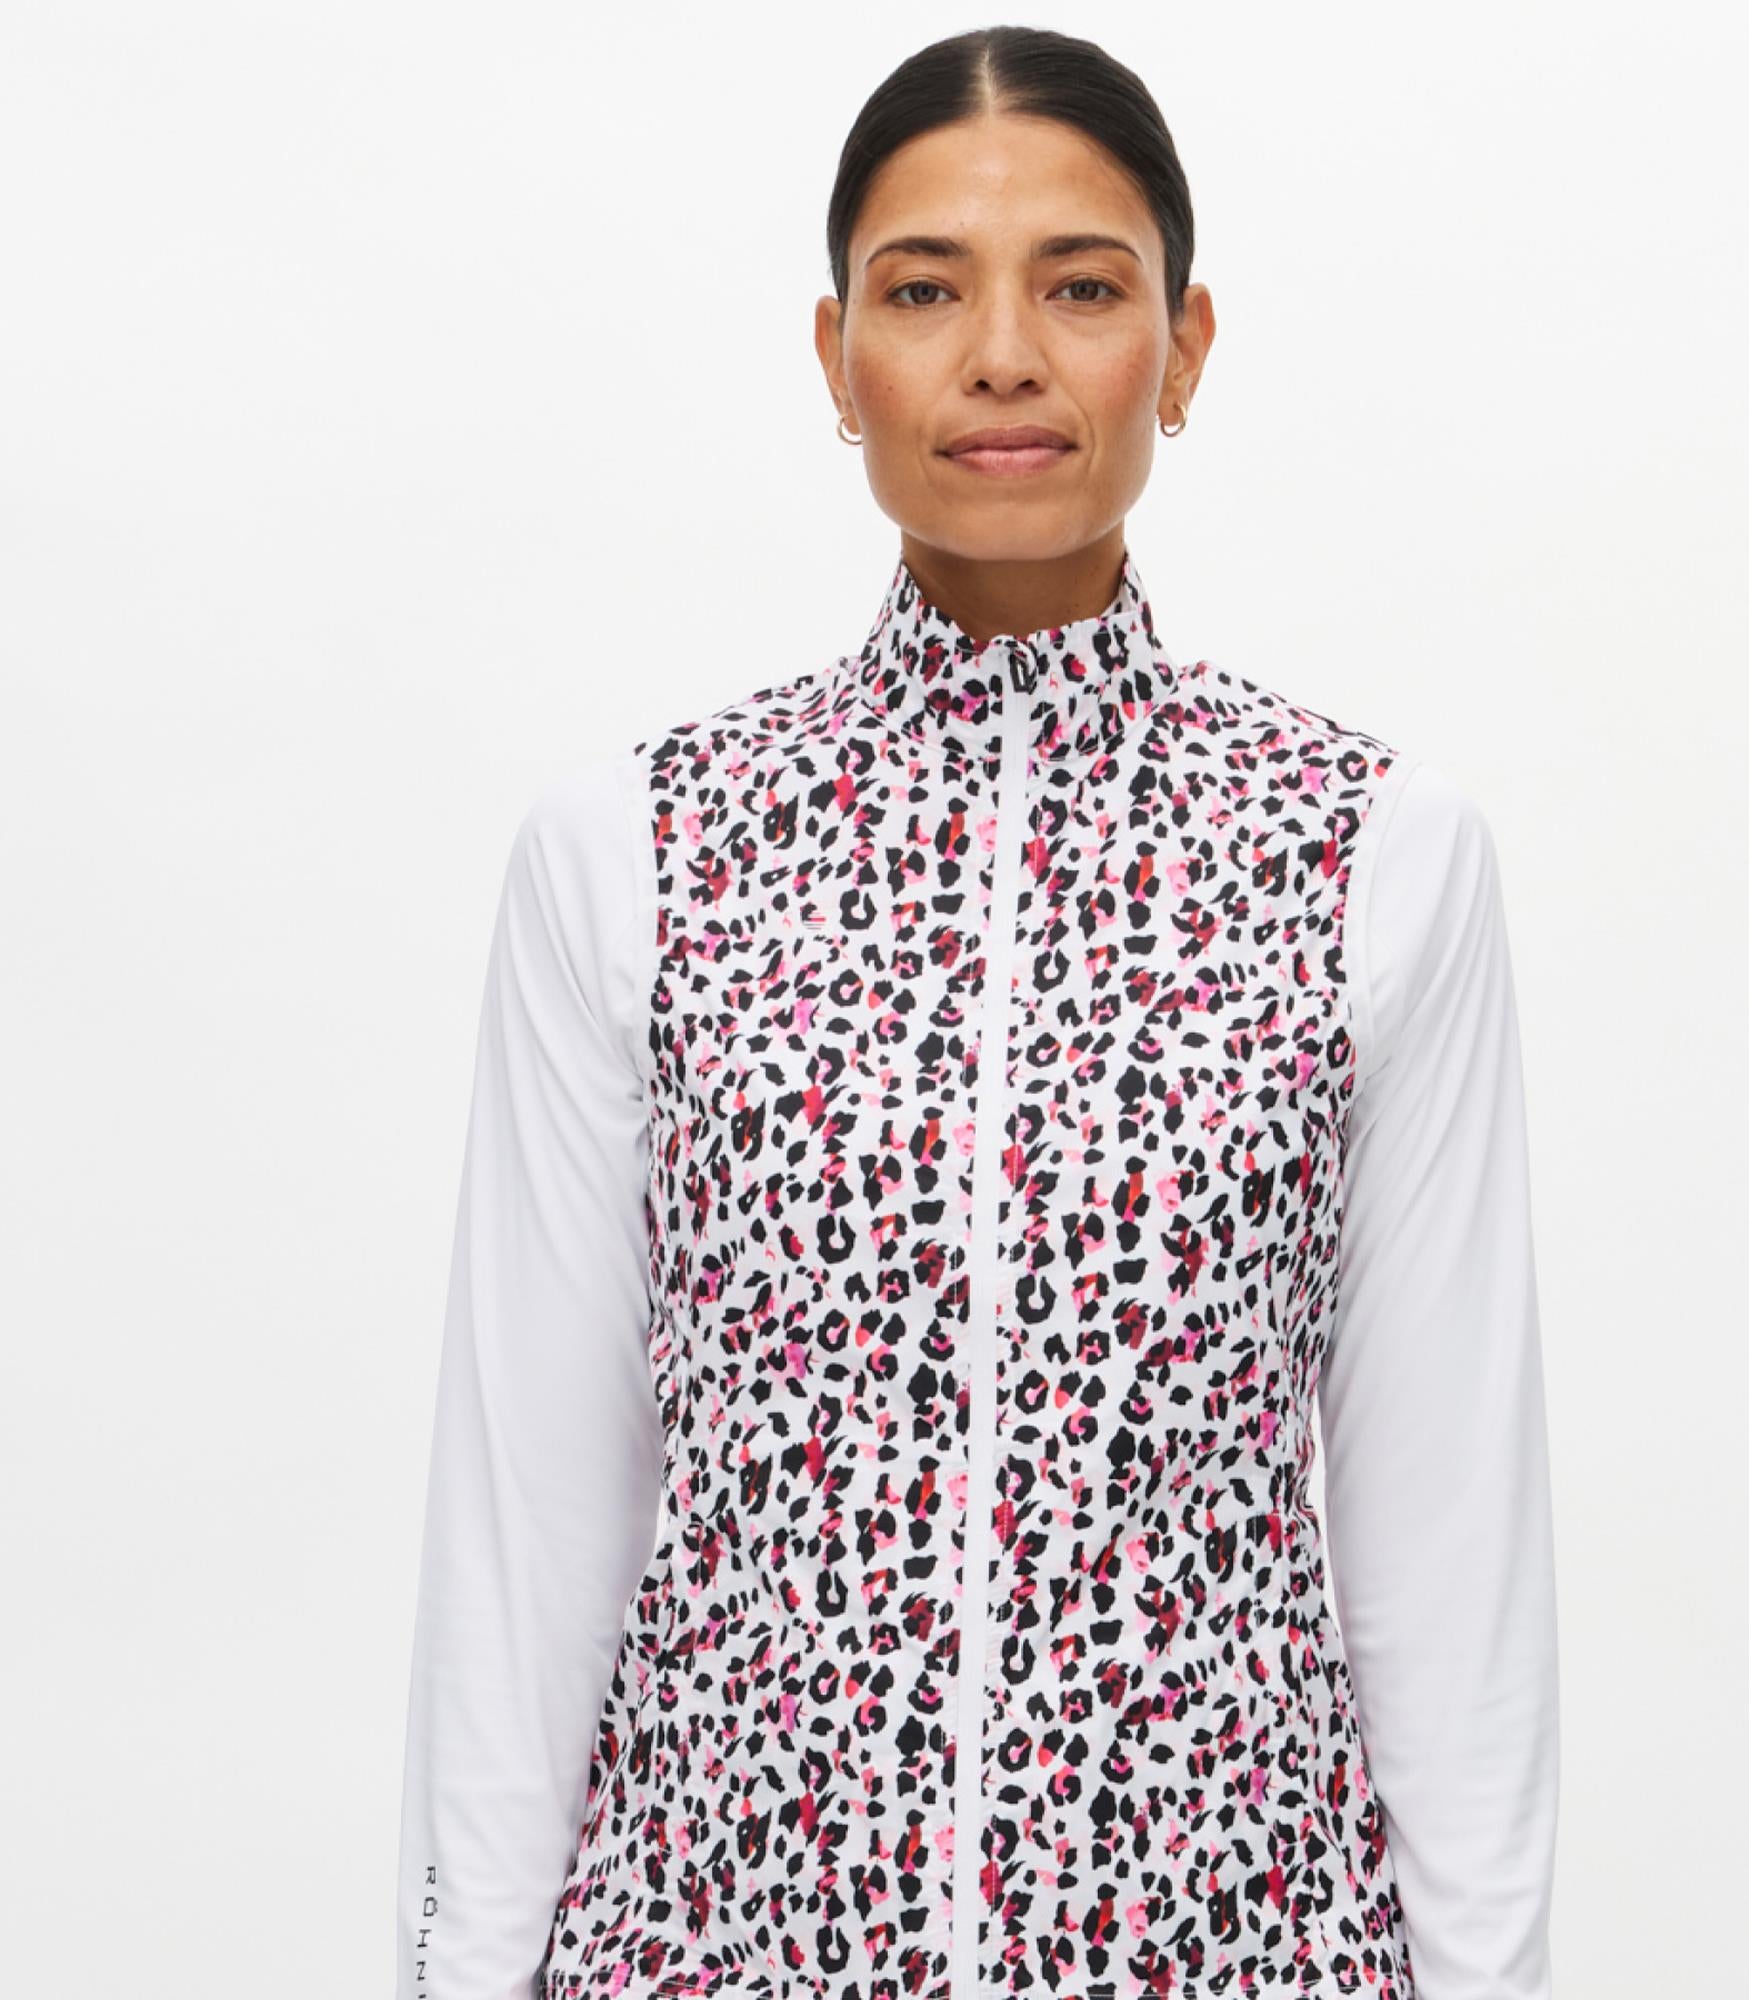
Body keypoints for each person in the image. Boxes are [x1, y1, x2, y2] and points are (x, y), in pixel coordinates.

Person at [393, 25, 1559, 2000]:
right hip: (717, 1952)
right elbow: (528, 1543)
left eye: (1081, 289)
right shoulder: (638, 853)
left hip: (1233, 1953)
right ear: (835, 354)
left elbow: (1451, 1564)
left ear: (1183, 350)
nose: (1003, 355)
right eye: (924, 290)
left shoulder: (1371, 853)